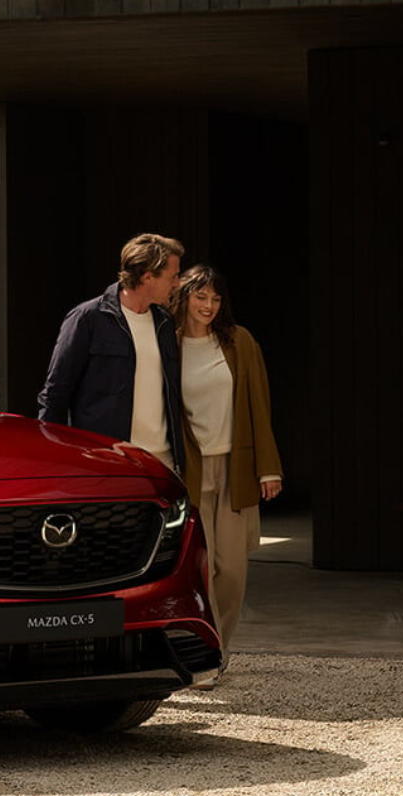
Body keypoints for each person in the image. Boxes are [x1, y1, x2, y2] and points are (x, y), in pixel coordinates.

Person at [172, 264, 282, 684]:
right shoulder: (169, 344)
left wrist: (268, 469)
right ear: (184, 297)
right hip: (192, 469)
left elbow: (259, 405)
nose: (208, 306)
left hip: (236, 467)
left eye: (216, 299)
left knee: (231, 570)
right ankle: (209, 654)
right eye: (201, 297)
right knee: (200, 569)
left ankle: (222, 644)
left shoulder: (239, 341)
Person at [38, 233, 186, 473]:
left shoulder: (164, 323)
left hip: (164, 462)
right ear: (148, 277)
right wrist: (51, 459)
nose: (177, 284)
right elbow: (55, 393)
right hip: (108, 463)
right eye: (173, 276)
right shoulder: (87, 319)